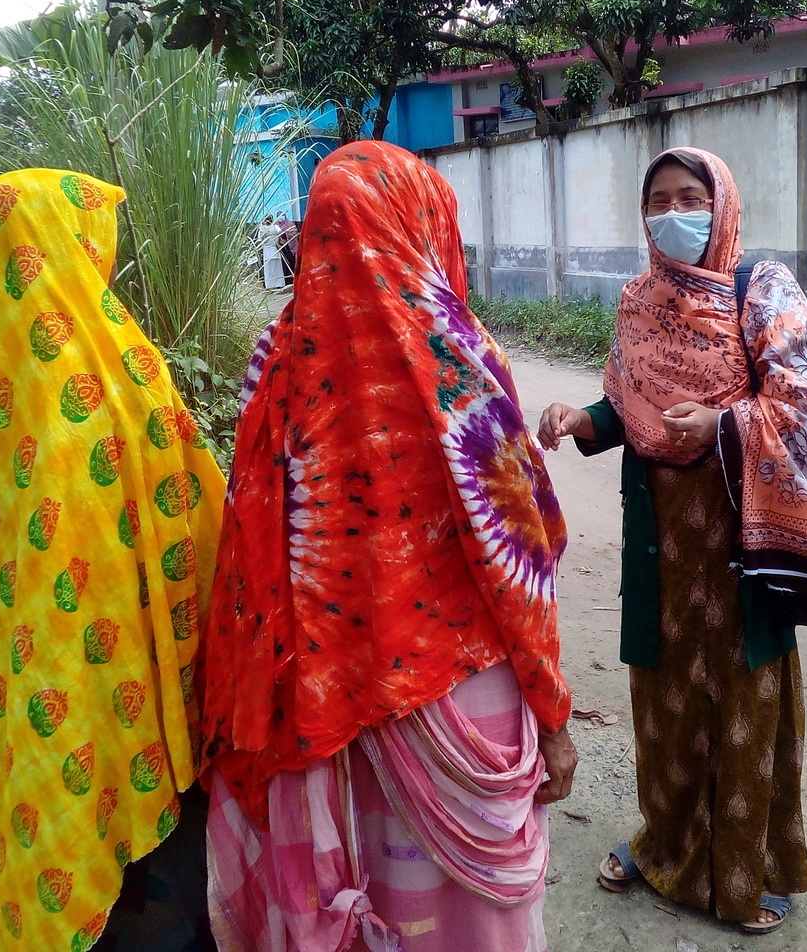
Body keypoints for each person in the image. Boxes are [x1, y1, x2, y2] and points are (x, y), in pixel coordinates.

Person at [198, 140, 577, 952]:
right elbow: (520, 570)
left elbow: (248, 559)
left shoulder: (276, 369)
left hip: (318, 708)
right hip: (457, 694)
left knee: (369, 890)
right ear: (422, 223)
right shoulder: (462, 366)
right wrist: (553, 718)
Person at [537, 148, 807, 935]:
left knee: (746, 701)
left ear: (721, 207)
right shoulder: (638, 301)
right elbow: (629, 402)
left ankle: (753, 872)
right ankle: (665, 848)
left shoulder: (763, 290)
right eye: (659, 201)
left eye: (691, 197)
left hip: (740, 536)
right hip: (662, 538)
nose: (673, 214)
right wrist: (586, 419)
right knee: (664, 700)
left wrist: (727, 424)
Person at [0, 169, 227, 950]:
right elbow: (200, 521)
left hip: (15, 721)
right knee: (162, 912)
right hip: (134, 724)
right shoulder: (121, 380)